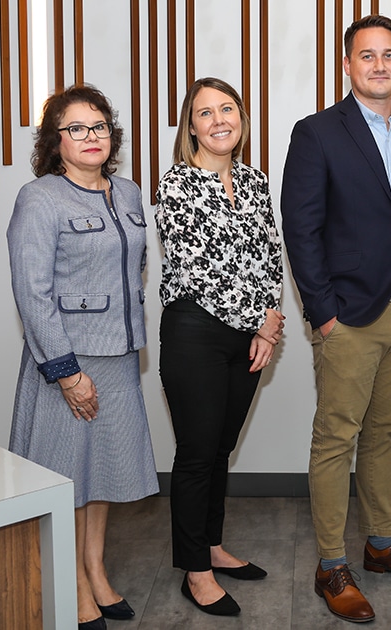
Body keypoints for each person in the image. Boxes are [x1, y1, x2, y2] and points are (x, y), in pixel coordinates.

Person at [280, 13, 391, 624]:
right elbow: (300, 229)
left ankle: (381, 545)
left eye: (390, 55)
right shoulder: (319, 132)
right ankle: (331, 565)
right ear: (347, 66)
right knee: (337, 440)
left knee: (385, 435)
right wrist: (322, 314)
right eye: (367, 56)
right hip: (348, 317)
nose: (379, 65)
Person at [7, 84, 159, 630]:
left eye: (98, 126)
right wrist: (67, 372)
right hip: (66, 362)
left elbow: (132, 269)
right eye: (76, 128)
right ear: (55, 140)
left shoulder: (129, 193)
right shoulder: (40, 197)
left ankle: (95, 568)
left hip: (118, 356)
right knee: (67, 474)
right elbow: (32, 292)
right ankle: (69, 582)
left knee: (106, 473)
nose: (90, 137)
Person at [155, 77, 284, 617]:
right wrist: (256, 322)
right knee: (195, 451)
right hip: (196, 329)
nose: (218, 120)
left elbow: (270, 253)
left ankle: (211, 545)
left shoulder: (253, 180)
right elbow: (201, 267)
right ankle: (196, 571)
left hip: (248, 334)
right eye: (204, 113)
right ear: (192, 128)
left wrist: (271, 320)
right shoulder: (176, 184)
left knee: (220, 449)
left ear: (241, 117)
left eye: (226, 109)